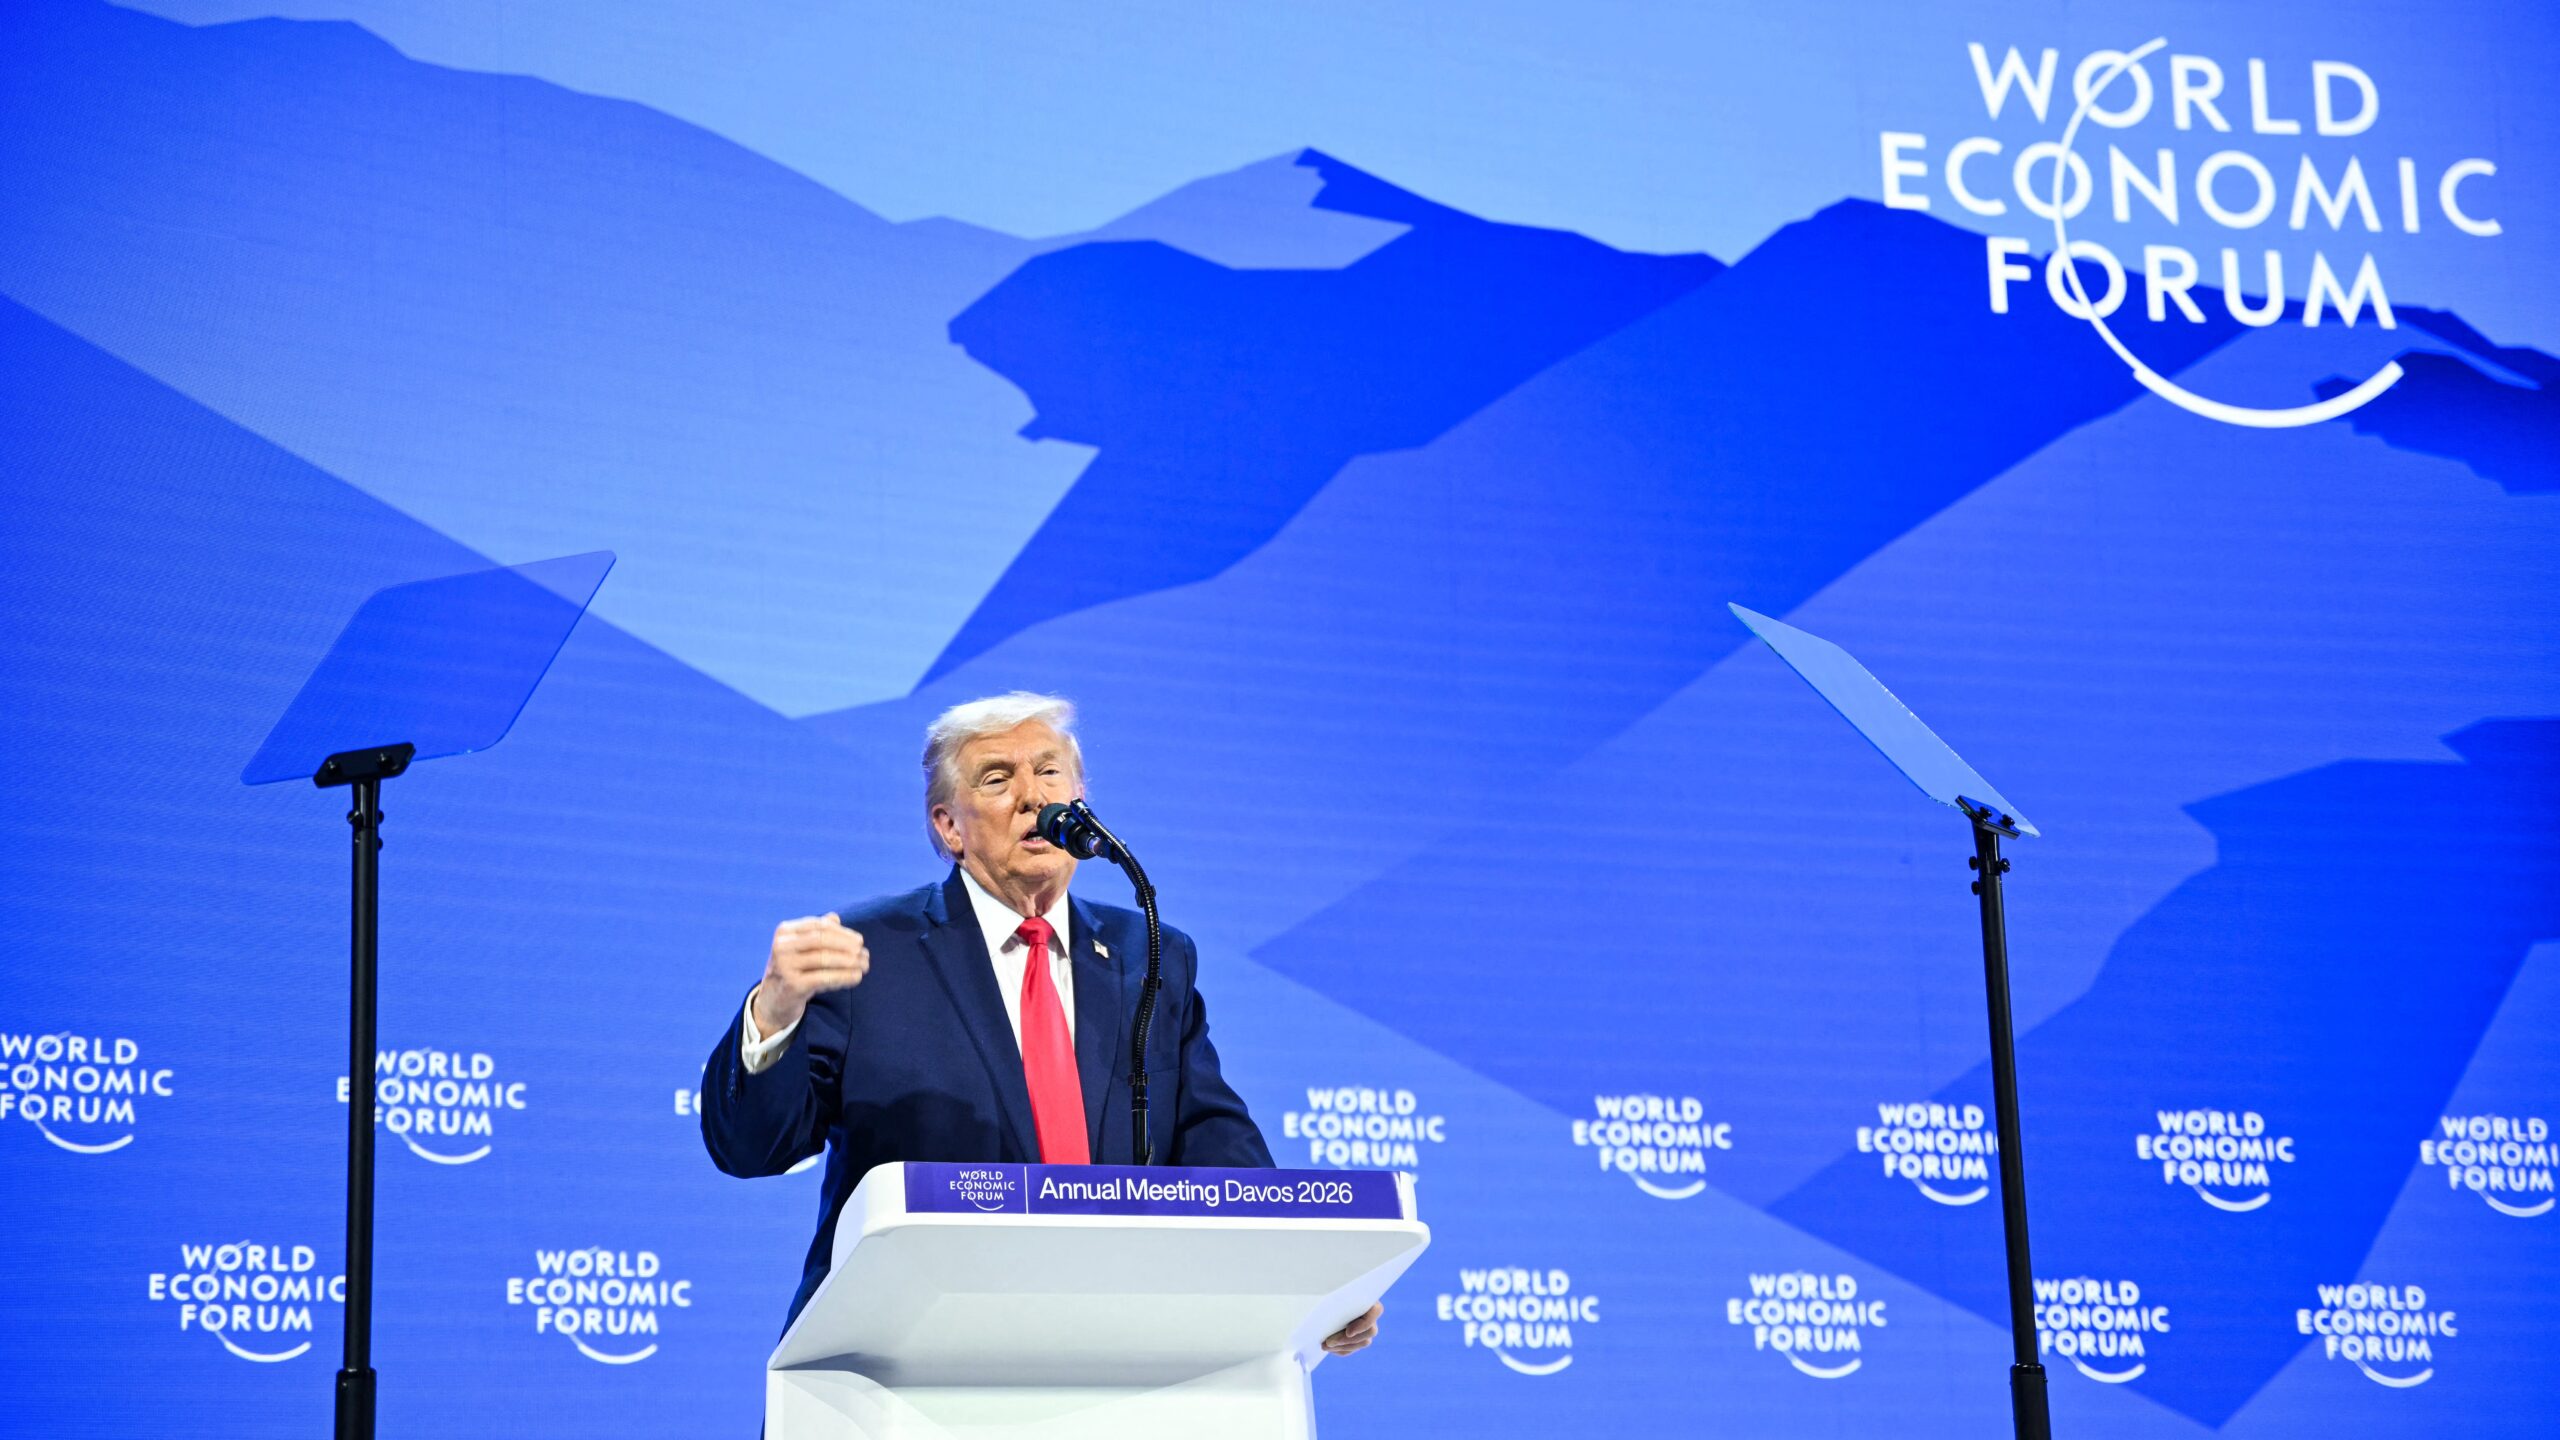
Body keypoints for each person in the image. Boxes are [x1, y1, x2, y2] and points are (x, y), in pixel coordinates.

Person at [698, 691, 1383, 1356]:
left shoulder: (1152, 954)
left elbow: (1214, 1145)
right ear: (948, 825)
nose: (1033, 796)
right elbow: (753, 1149)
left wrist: (1303, 1286)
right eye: (998, 778)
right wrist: (775, 1009)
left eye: (1050, 772)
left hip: (1113, 1360)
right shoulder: (869, 952)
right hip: (913, 1365)